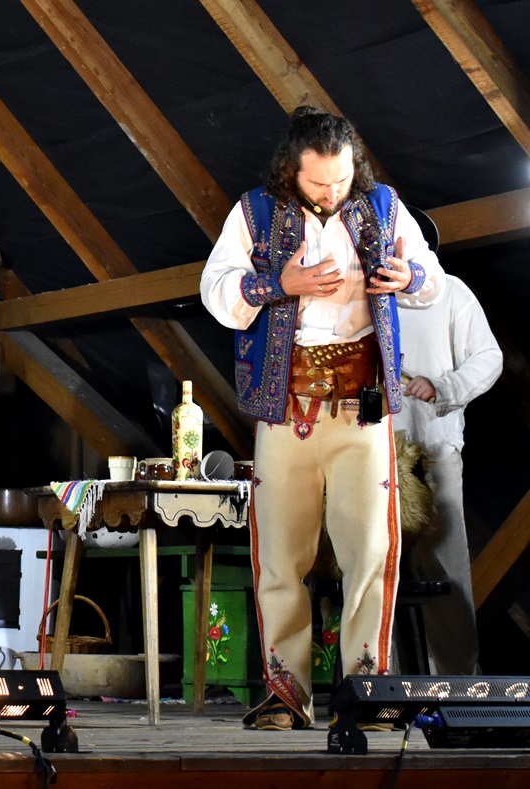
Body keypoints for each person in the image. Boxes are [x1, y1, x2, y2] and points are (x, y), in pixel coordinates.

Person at [200, 106, 444, 730]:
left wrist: (407, 275)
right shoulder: (255, 212)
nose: (332, 192)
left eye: (341, 179)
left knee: (371, 551)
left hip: (363, 409)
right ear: (291, 169)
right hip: (287, 409)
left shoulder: (384, 206)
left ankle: (367, 691)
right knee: (281, 556)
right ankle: (287, 695)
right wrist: (278, 283)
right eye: (318, 182)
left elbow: (432, 282)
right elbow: (216, 290)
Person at [397, 274, 502, 675]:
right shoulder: (362, 294)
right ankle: (381, 683)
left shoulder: (449, 291)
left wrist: (444, 386)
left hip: (432, 448)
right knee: (376, 569)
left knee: (442, 564)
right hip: (370, 451)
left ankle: (458, 680)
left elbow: (488, 356)